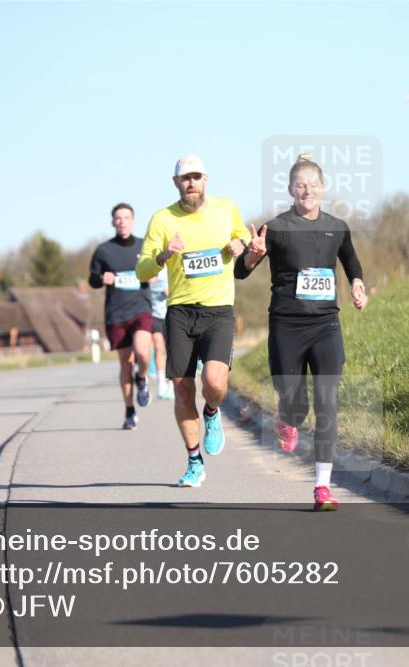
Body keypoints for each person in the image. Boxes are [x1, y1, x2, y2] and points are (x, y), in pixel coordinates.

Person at [235, 154, 368, 511]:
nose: (306, 190)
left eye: (312, 184)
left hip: (326, 325)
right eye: (300, 185)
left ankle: (322, 487)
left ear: (323, 187)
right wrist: (252, 255)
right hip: (287, 327)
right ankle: (287, 416)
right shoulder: (277, 228)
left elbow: (351, 262)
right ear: (291, 189)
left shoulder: (337, 227)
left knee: (327, 403)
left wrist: (357, 285)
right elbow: (241, 272)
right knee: (296, 403)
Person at [136, 155, 251, 487]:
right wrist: (164, 255)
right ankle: (194, 461)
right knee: (182, 389)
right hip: (181, 312)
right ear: (176, 183)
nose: (191, 183)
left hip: (218, 310)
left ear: (206, 179)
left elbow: (243, 238)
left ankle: (212, 412)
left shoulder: (226, 208)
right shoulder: (162, 219)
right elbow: (142, 269)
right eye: (185, 178)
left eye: (196, 177)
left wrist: (240, 244)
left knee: (214, 383)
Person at [89, 202, 153, 430]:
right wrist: (101, 279)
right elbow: (92, 279)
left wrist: (153, 274)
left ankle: (142, 378)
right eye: (118, 218)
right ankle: (129, 410)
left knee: (142, 352)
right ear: (113, 222)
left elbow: (157, 267)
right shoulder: (103, 250)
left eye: (126, 217)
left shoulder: (144, 246)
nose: (122, 221)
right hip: (116, 314)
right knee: (125, 364)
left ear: (133, 221)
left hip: (141, 308)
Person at [148, 267, 175, 400]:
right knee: (159, 348)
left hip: (171, 314)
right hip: (154, 315)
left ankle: (171, 384)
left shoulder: (170, 267)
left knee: (172, 350)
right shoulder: (149, 266)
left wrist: (171, 292)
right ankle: (161, 382)